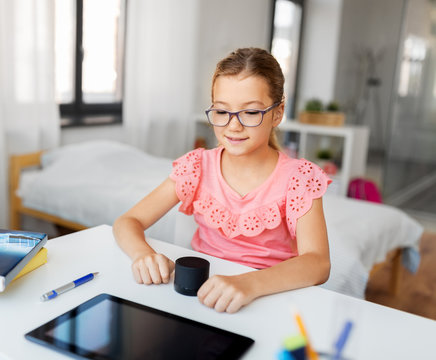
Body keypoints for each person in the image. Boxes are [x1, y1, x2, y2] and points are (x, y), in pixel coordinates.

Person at [113, 48, 331, 314]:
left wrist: (249, 284)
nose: (233, 126)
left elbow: (318, 263)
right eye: (221, 111)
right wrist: (142, 254)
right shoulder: (196, 167)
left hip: (269, 299)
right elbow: (127, 222)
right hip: (204, 298)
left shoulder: (299, 178)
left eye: (251, 113)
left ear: (277, 113)